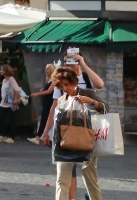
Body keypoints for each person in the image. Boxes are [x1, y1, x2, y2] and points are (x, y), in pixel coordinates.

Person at [45, 65, 106, 200]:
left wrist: (90, 101)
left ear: (74, 81)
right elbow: (57, 126)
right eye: (61, 87)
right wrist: (47, 135)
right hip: (65, 147)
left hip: (86, 145)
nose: (65, 88)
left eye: (67, 84)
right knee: (62, 181)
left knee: (91, 182)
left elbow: (105, 108)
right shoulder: (62, 101)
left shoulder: (87, 93)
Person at [0, 64, 24, 144]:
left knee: (11, 120)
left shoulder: (11, 79)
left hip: (11, 103)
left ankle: (11, 137)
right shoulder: (4, 80)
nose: (0, 71)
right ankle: (3, 135)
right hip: (3, 103)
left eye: (2, 70)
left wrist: (15, 99)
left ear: (6, 71)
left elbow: (17, 89)